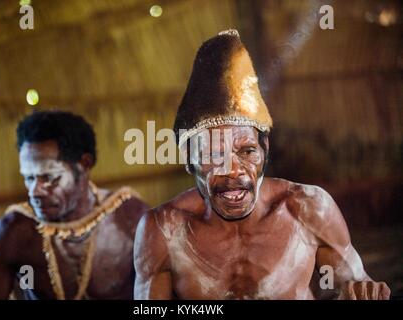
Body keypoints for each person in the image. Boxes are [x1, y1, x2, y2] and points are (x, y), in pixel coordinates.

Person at [133, 30, 391, 300]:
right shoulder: (162, 231)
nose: (233, 170)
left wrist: (364, 291)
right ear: (189, 159)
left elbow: (356, 286)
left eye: (247, 151)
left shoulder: (308, 209)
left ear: (265, 150)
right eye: (214, 155)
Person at [0, 111, 148, 299]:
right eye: (28, 178)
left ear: (85, 164)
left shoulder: (132, 218)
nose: (35, 191)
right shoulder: (13, 233)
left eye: (50, 178)